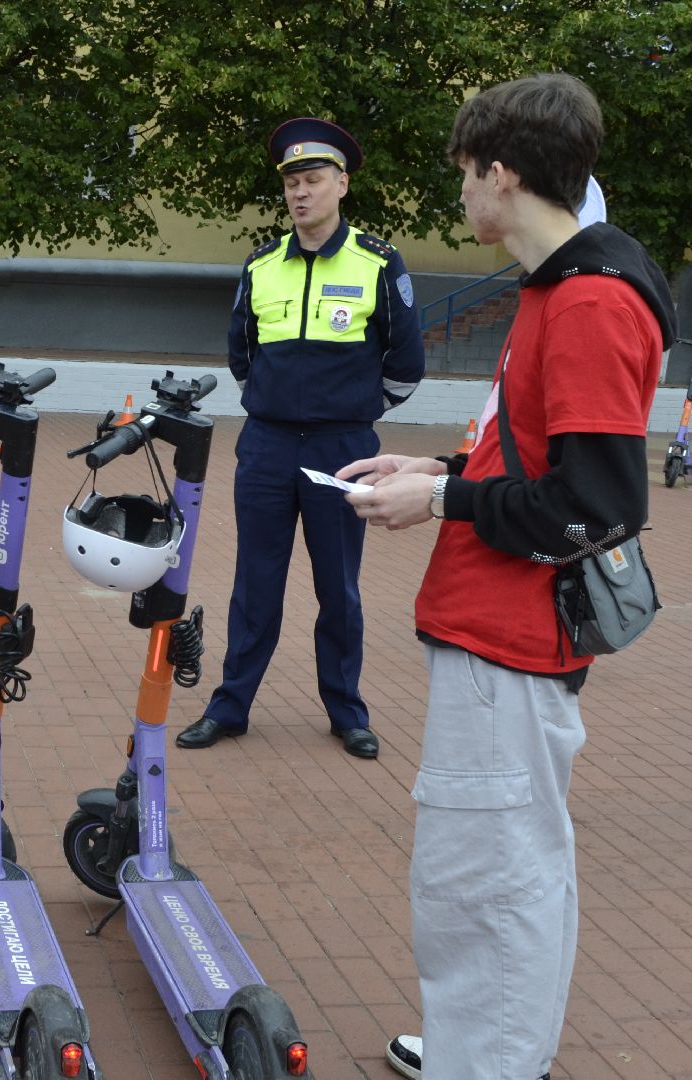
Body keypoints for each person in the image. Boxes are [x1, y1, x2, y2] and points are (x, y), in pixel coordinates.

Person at [336, 73, 673, 1080]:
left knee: (487, 876)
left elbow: (597, 507)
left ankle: (488, 1065)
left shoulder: (588, 303)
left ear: (502, 172)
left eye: (465, 178)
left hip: (512, 639)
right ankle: (480, 1047)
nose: (460, 199)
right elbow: (537, 465)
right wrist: (439, 471)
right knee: (496, 866)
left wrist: (441, 504)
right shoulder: (562, 291)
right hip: (502, 632)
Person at [176, 116, 425, 757]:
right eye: (292, 182)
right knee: (254, 584)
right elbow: (241, 355)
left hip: (343, 449)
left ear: (341, 184)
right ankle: (230, 707)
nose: (300, 192)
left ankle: (347, 712)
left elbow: (407, 363)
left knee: (337, 587)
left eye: (314, 179)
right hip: (266, 446)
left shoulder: (378, 262)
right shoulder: (261, 266)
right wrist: (276, 407)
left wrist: (354, 416)